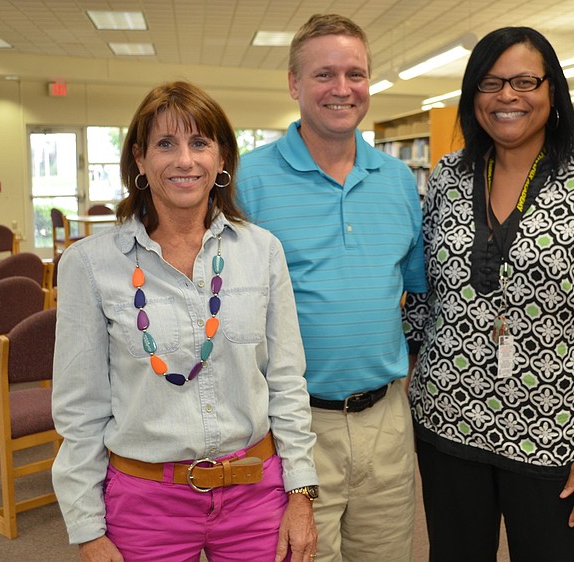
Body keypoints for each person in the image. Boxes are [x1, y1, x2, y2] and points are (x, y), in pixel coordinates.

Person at [403, 27, 574, 561]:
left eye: (524, 81)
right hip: (447, 419)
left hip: (554, 432)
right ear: (473, 94)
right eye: (490, 82)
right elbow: (424, 297)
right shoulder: (449, 176)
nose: (507, 96)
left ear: (552, 90)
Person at [52, 81, 318, 562]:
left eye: (199, 143)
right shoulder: (89, 264)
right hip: (145, 504)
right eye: (165, 144)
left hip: (256, 495)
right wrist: (87, 528)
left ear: (222, 158)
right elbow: (80, 410)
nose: (184, 160)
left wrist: (300, 494)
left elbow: (286, 382)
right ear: (139, 158)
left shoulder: (263, 251)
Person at [236, 13, 426, 562]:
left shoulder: (398, 182)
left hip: (386, 421)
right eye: (324, 74)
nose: (342, 88)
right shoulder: (246, 181)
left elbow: (414, 294)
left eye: (355, 74)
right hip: (292, 425)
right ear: (294, 84)